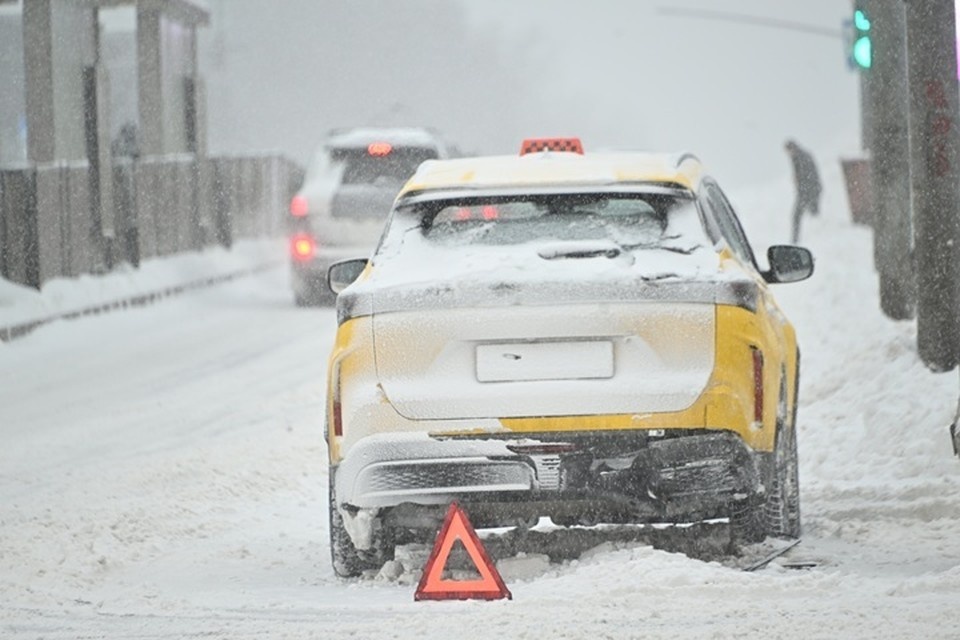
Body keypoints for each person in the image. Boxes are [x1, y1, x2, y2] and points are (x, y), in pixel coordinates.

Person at [784, 139, 821, 244]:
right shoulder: (802, 156)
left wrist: (801, 186)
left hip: (808, 190)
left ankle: (796, 240)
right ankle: (806, 239)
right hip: (812, 189)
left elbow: (806, 176)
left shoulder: (800, 158)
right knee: (811, 214)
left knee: (798, 216)